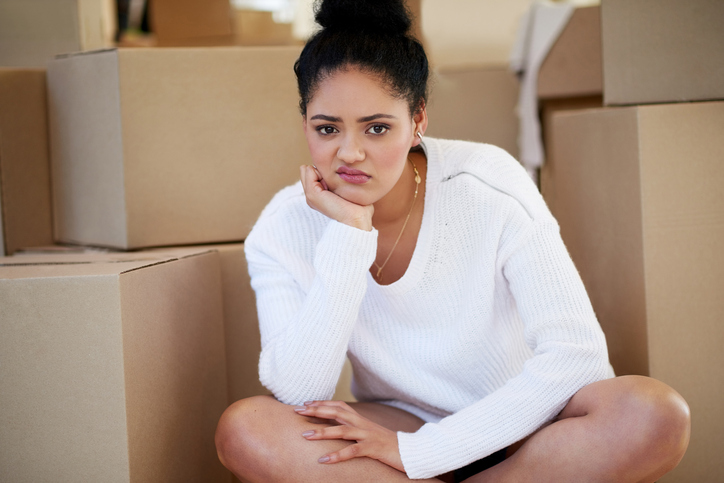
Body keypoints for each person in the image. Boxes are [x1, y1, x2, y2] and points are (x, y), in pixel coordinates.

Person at [215, 0, 691, 481]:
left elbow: (577, 356)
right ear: (305, 126)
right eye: (327, 129)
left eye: (377, 128)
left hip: (526, 424)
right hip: (402, 420)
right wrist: (348, 233)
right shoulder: (282, 226)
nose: (350, 153)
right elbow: (299, 392)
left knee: (654, 414)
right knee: (246, 429)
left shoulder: (487, 183)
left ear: (418, 119)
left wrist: (423, 454)